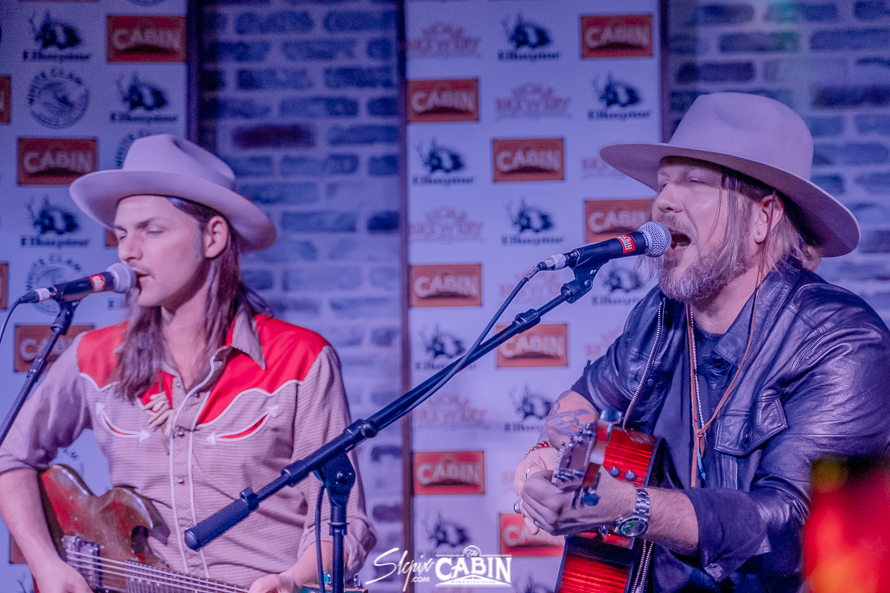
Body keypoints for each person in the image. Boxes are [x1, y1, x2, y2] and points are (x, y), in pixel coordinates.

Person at [513, 93, 890, 591]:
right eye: (663, 182)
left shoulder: (841, 341)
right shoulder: (661, 315)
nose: (664, 201)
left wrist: (631, 507)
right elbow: (586, 396)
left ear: (764, 217)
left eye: (694, 181)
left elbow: (790, 530)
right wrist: (546, 455)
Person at [0, 135, 377, 593]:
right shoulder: (93, 356)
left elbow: (342, 523)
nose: (127, 251)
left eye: (151, 230)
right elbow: (9, 455)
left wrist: (291, 580)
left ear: (212, 236)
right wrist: (46, 563)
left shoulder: (299, 359)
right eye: (121, 234)